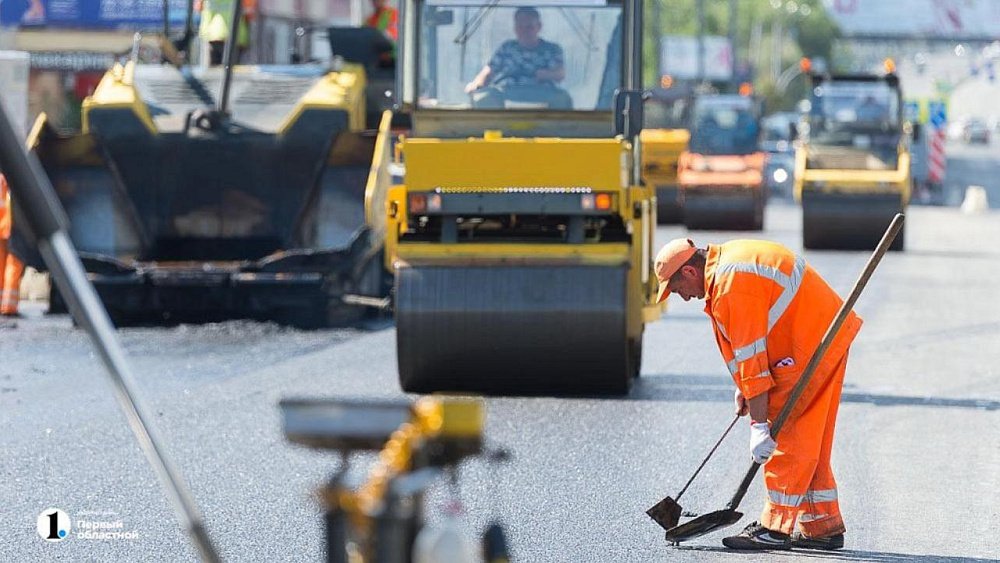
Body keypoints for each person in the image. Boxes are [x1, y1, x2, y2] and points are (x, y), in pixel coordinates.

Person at [655, 237, 862, 551]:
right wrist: (745, 389)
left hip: (809, 345)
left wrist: (760, 426)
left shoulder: (728, 286)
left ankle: (775, 529)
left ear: (689, 272)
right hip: (820, 335)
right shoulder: (726, 268)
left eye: (676, 289)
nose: (683, 298)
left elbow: (753, 361)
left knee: (786, 434)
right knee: (808, 438)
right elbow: (752, 346)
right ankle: (822, 525)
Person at [463, 6, 571, 109]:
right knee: (483, 98)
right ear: (515, 28)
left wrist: (543, 74)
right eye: (520, 27)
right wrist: (476, 84)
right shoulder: (507, 48)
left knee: (562, 98)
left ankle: (555, 128)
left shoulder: (551, 49)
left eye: (529, 27)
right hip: (508, 91)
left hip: (541, 92)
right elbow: (489, 71)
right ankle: (493, 127)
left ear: (539, 27)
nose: (524, 31)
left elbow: (560, 74)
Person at [197, 0, 256, 66]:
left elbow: (198, 8)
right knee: (233, 69)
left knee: (213, 70)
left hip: (213, 34)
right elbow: (249, 13)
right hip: (236, 35)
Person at [0, 174, 24, 322]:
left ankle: (5, 303)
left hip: (4, 225)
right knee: (15, 262)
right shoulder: (11, 171)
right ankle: (9, 306)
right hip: (11, 225)